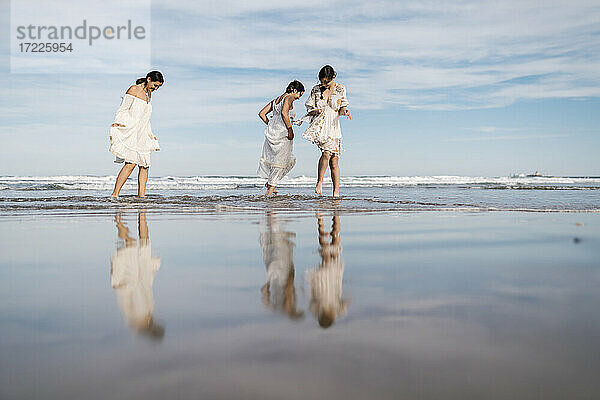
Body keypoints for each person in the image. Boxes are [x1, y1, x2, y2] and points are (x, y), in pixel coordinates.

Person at [109, 71, 164, 198]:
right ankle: (115, 194)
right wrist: (118, 122)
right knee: (131, 163)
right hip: (132, 130)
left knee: (145, 165)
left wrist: (150, 134)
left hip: (143, 132)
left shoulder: (149, 94)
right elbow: (123, 109)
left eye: (158, 87)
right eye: (155, 85)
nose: (156, 89)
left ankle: (142, 197)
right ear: (148, 79)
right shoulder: (134, 89)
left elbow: (146, 117)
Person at [110, 212, 164, 340]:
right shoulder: (143, 318)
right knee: (143, 244)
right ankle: (141, 213)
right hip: (137, 279)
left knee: (135, 244)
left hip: (130, 280)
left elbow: (135, 293)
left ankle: (119, 220)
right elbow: (145, 292)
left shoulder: (140, 318)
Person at [302, 65, 351, 197]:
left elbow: (341, 108)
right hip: (321, 125)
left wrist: (345, 111)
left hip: (334, 125)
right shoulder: (316, 89)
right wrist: (315, 111)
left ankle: (336, 192)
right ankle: (320, 182)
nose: (324, 84)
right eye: (322, 81)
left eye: (326, 82)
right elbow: (309, 107)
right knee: (327, 153)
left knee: (334, 161)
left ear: (333, 77)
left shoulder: (341, 88)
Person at [257, 80, 305, 195]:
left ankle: (270, 184)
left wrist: (271, 125)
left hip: (273, 134)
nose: (298, 98)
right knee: (283, 162)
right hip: (283, 135)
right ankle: (269, 192)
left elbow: (262, 114)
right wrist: (290, 129)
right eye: (299, 94)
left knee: (278, 162)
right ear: (294, 90)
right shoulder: (288, 98)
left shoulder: (276, 100)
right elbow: (284, 113)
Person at [259, 211, 304, 320]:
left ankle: (270, 210)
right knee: (276, 242)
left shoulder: (279, 306)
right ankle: (270, 212)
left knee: (276, 242)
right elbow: (265, 293)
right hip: (280, 270)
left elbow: (265, 294)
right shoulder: (280, 305)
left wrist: (268, 284)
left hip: (279, 270)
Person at [308, 213, 349, 328]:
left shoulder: (332, 309)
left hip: (333, 273)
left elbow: (344, 307)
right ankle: (321, 219)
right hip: (326, 274)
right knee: (326, 246)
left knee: (335, 238)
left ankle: (335, 215)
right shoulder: (317, 308)